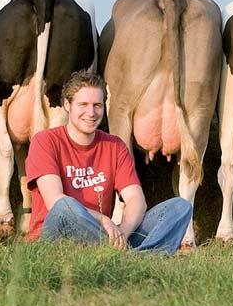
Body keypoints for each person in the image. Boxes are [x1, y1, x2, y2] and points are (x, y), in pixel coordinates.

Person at [25, 70, 192, 255]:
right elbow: (54, 200)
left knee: (180, 207)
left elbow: (137, 200)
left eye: (97, 105)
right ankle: (131, 258)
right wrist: (104, 220)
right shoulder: (45, 141)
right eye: (83, 104)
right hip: (56, 237)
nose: (91, 112)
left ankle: (127, 258)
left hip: (102, 237)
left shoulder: (114, 146)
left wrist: (122, 232)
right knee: (65, 207)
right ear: (67, 104)